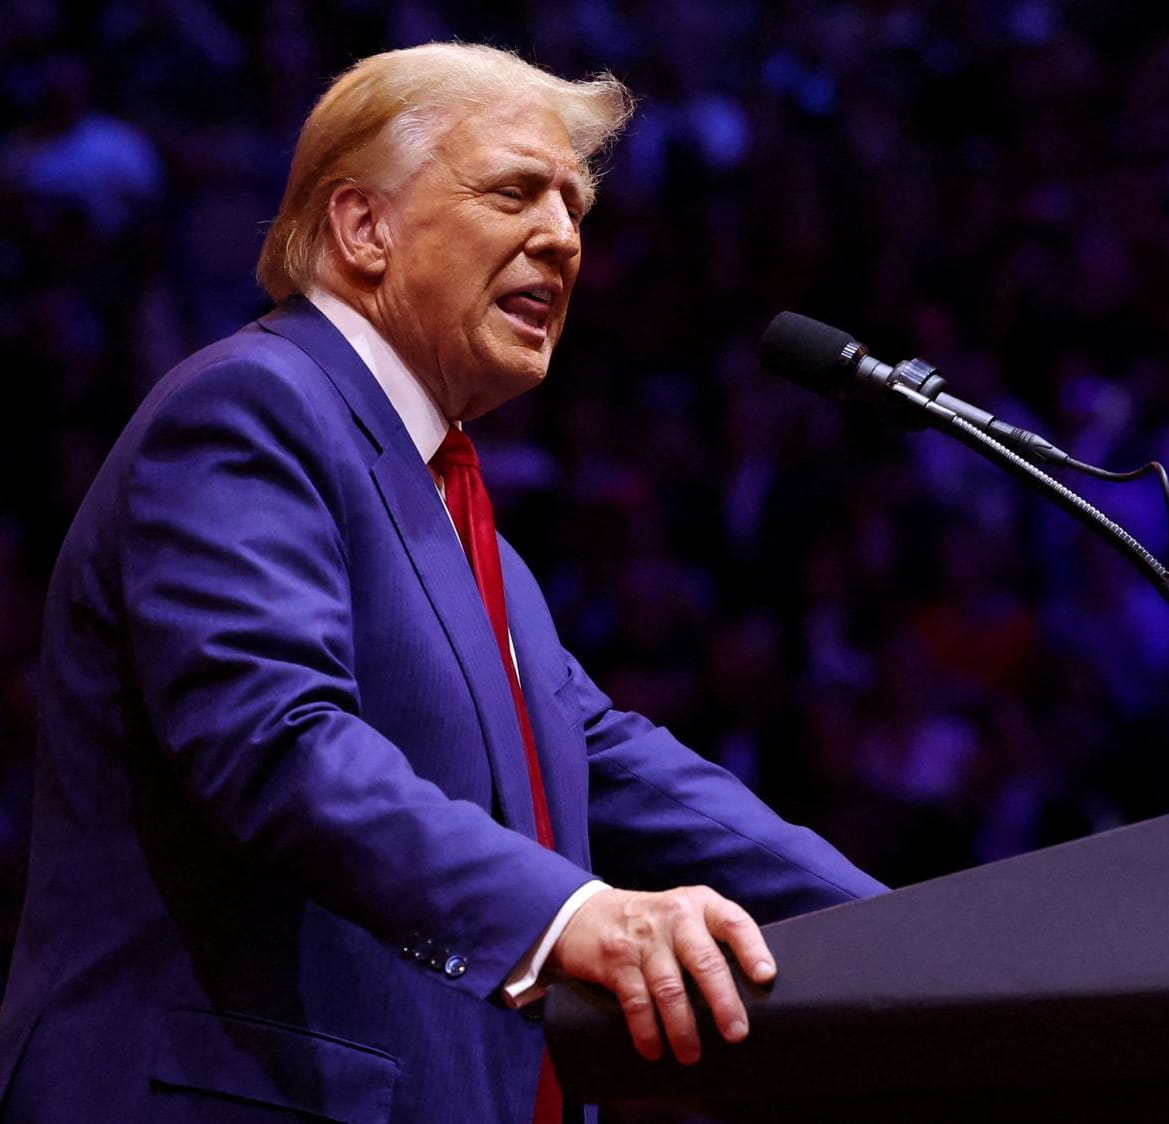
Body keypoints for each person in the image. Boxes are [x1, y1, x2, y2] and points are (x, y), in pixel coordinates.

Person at [0, 42, 885, 1124]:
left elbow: (603, 759)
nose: (562, 237)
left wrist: (906, 931)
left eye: (572, 207)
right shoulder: (251, 409)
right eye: (516, 191)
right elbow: (275, 742)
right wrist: (569, 914)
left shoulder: (451, 515)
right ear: (361, 228)